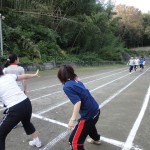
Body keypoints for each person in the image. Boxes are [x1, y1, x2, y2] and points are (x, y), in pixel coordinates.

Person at [57, 64, 101, 150]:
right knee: (90, 125)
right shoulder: (77, 81)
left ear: (60, 76)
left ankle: (95, 139)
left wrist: (72, 120)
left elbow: (77, 102)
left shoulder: (67, 86)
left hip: (88, 115)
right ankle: (96, 139)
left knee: (74, 142)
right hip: (96, 110)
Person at [0, 68, 42, 150]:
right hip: (26, 103)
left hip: (15, 108)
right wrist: (34, 75)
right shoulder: (9, 76)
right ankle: (37, 141)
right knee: (27, 123)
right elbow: (24, 76)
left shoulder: (9, 75)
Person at [3, 54, 27, 128]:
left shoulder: (5, 69)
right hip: (19, 90)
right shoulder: (20, 69)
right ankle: (24, 122)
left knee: (11, 107)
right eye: (18, 58)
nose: (19, 59)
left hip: (9, 91)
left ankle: (14, 123)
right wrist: (25, 90)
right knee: (22, 107)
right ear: (15, 60)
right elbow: (24, 79)